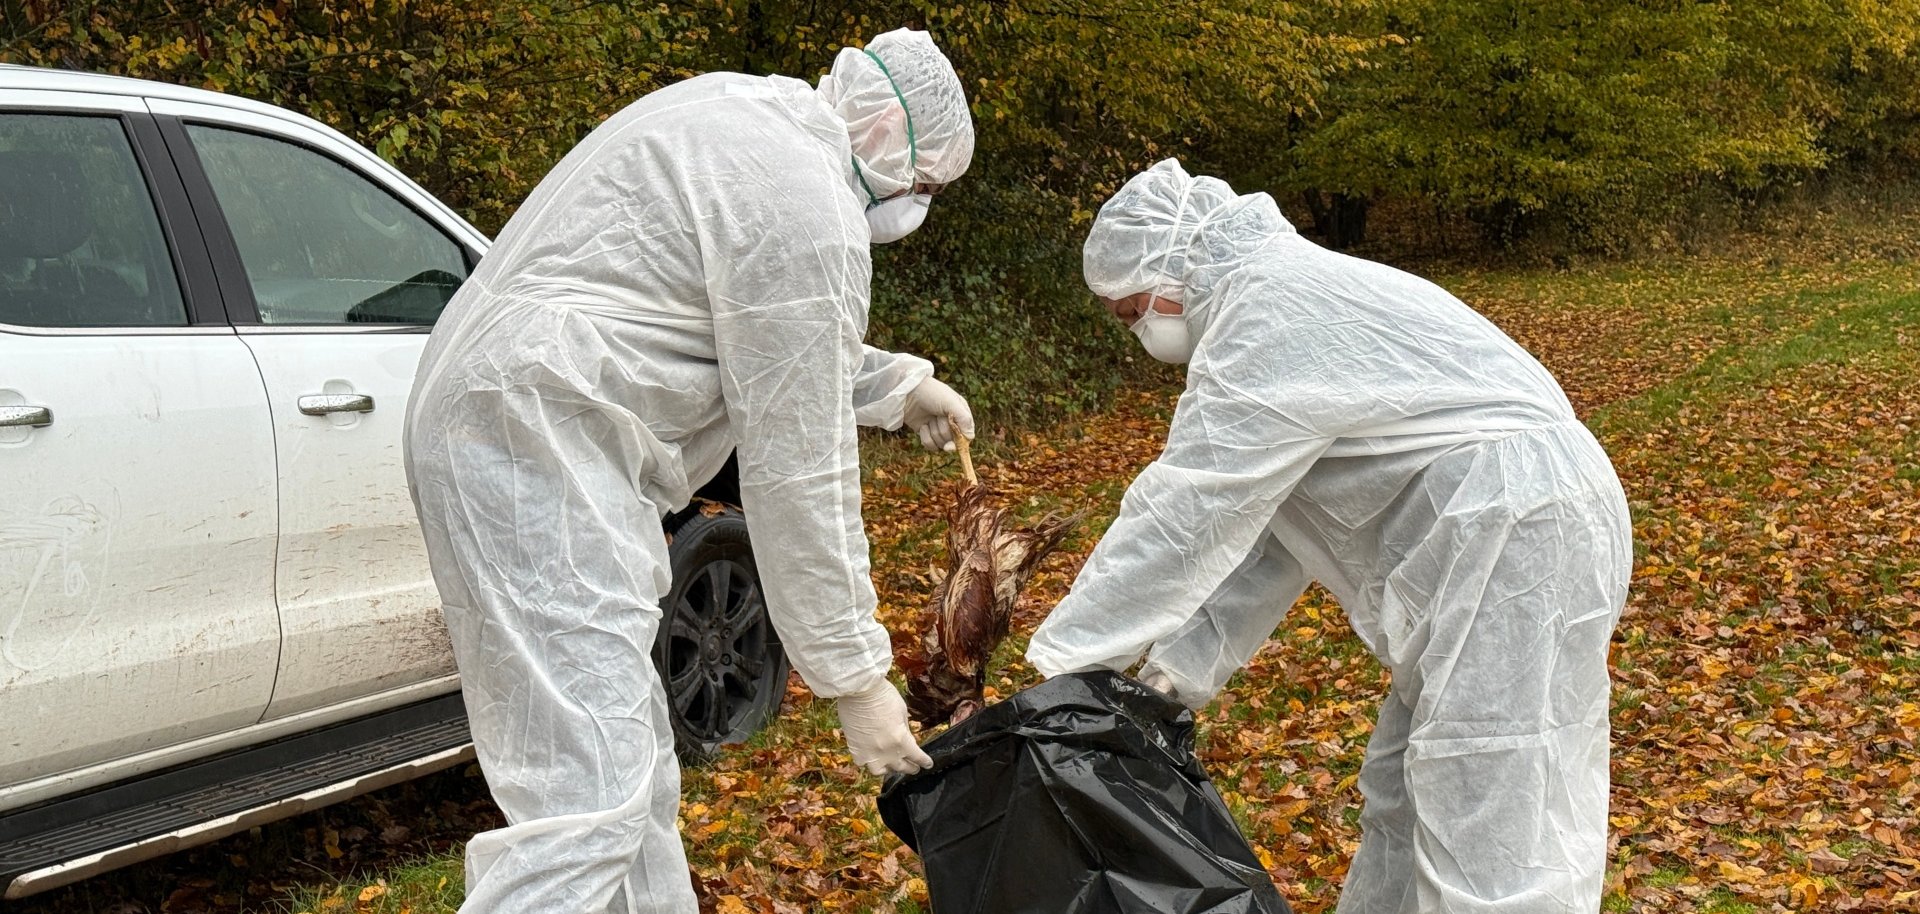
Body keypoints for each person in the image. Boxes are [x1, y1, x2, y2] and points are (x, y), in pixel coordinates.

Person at [403, 29, 973, 914]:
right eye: (926, 188)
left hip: (516, 418)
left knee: (633, 776)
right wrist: (856, 678)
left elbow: (754, 329)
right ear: (895, 145)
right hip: (542, 439)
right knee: (590, 803)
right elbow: (800, 472)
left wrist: (901, 386)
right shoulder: (807, 204)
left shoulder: (745, 114)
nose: (915, 207)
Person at [1026, 159, 1632, 914]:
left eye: (1132, 311)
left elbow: (1183, 512)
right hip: (1509, 529)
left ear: (1173, 264)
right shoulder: (1274, 308)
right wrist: (1171, 677)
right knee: (1408, 791)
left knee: (1488, 799)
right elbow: (1270, 540)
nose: (1138, 331)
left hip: (1517, 532)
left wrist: (1059, 676)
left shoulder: (1266, 311)